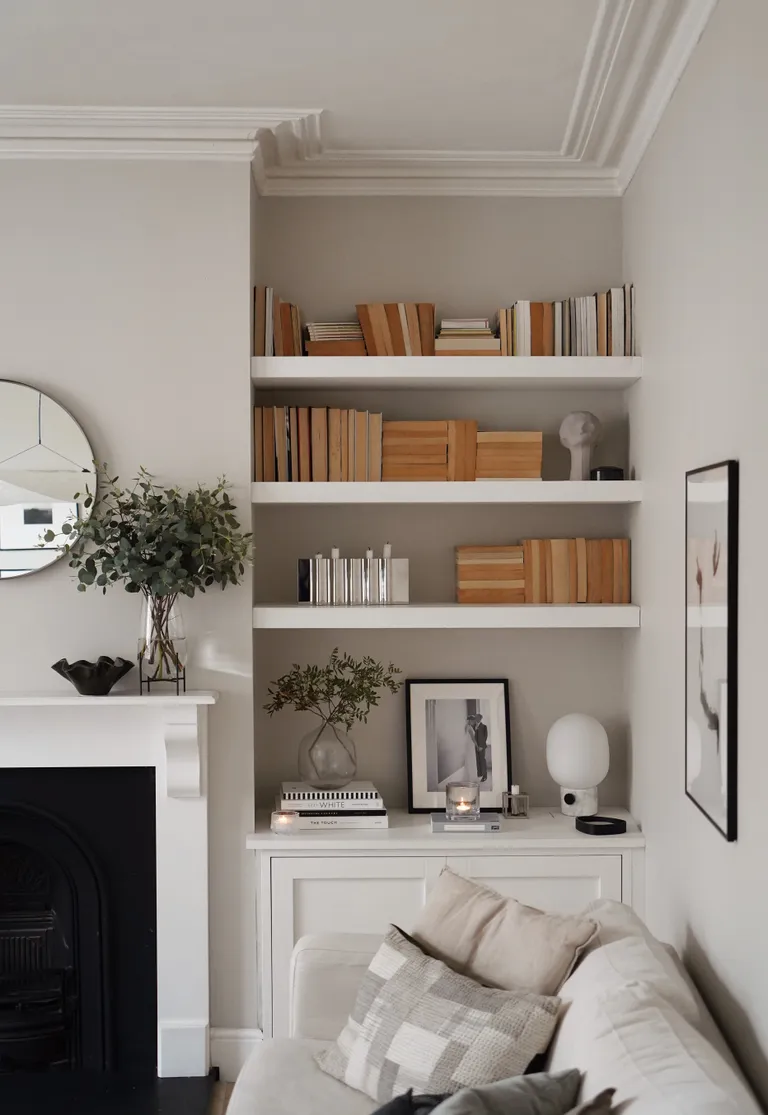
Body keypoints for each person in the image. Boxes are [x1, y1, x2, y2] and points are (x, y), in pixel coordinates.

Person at [472, 713, 489, 783]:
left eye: (478, 718)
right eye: (476, 717)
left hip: (481, 747)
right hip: (475, 747)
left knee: (482, 761)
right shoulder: (473, 726)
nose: (476, 719)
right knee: (477, 761)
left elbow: (485, 737)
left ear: (480, 718)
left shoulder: (484, 727)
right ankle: (479, 774)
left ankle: (485, 776)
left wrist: (481, 746)